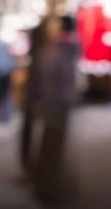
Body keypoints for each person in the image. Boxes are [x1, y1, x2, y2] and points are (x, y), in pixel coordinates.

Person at [32, 15, 79, 206]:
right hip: (58, 104)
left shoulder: (53, 51)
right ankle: (47, 187)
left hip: (53, 103)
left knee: (51, 146)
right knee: (53, 147)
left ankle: (46, 186)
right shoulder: (65, 50)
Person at [20, 17, 49, 176]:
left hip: (36, 100)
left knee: (31, 133)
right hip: (38, 100)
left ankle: (29, 167)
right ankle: (30, 169)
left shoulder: (39, 58)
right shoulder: (43, 58)